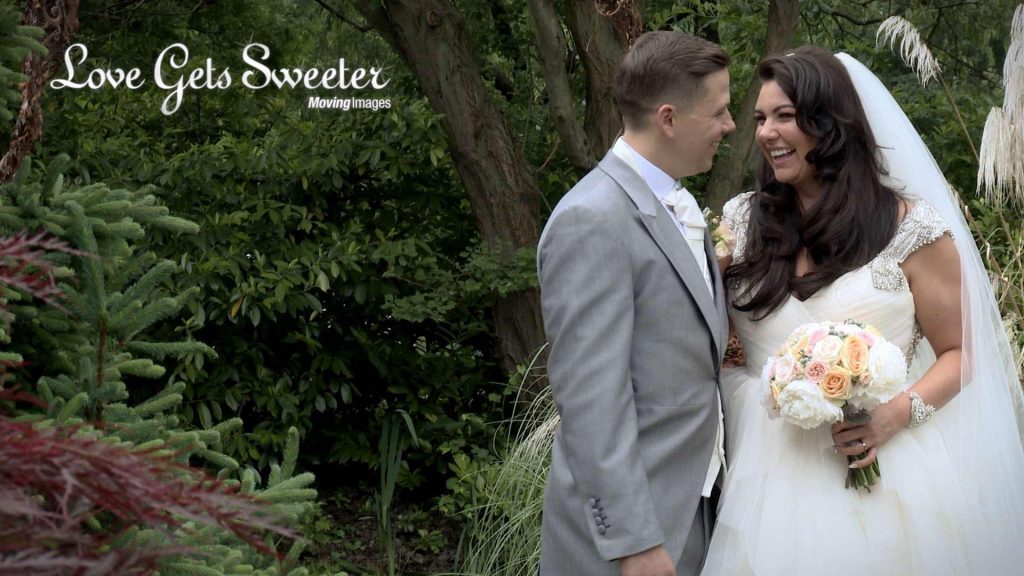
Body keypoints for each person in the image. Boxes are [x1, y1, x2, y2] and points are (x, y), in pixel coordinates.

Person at [702, 46, 1024, 575]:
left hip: (890, 475)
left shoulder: (911, 229)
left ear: (829, 123)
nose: (765, 133)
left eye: (784, 116)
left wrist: (895, 414)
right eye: (760, 118)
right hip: (764, 484)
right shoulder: (739, 222)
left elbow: (962, 352)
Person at [536, 30, 735, 576]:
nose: (731, 125)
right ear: (668, 118)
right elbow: (591, 398)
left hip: (694, 503)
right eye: (719, 111)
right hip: (632, 539)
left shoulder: (676, 201)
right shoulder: (592, 219)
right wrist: (634, 542)